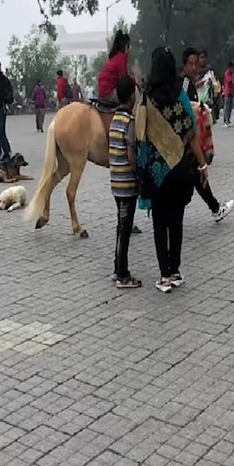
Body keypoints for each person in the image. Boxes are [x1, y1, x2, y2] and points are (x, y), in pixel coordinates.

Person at [136, 46, 209, 293]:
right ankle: (175, 270)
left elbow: (140, 136)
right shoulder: (181, 94)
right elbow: (192, 133)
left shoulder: (146, 98)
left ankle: (164, 275)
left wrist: (140, 172)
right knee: (176, 220)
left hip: (157, 172)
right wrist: (202, 164)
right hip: (180, 168)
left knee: (159, 222)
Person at [182, 48, 232, 222]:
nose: (194, 67)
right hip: (186, 140)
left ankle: (215, 208)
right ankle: (215, 208)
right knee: (196, 175)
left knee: (196, 176)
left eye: (196, 63)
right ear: (184, 66)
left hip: (191, 140)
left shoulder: (195, 82)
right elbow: (185, 106)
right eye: (191, 64)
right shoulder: (185, 84)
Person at [110, 76, 141, 289]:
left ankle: (117, 268)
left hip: (115, 182)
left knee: (121, 227)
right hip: (127, 184)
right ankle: (123, 276)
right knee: (125, 229)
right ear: (131, 97)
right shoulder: (129, 121)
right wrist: (138, 173)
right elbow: (130, 153)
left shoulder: (114, 119)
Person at [97, 30, 131, 110]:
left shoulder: (114, 58)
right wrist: (135, 81)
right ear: (126, 46)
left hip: (102, 92)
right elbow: (124, 82)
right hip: (109, 93)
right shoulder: (121, 58)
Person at [222, 62, 234, 126]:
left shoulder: (232, 74)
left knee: (230, 107)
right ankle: (225, 120)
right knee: (226, 107)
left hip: (231, 92)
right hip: (227, 92)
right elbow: (229, 80)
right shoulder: (226, 73)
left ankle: (228, 119)